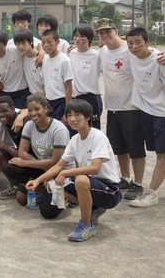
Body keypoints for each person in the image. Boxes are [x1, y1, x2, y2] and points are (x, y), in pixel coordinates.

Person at [94, 18, 165, 200]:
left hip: (132, 107)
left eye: (108, 31)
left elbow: (152, 53)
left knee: (136, 148)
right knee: (119, 147)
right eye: (101, 32)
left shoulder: (129, 49)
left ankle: (138, 183)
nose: (105, 35)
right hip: (112, 106)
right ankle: (125, 178)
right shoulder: (102, 51)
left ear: (116, 30)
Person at [27, 99, 122, 242]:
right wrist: (38, 180)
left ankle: (86, 225)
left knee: (81, 179)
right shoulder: (75, 140)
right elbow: (59, 165)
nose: (72, 119)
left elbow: (95, 168)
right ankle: (94, 210)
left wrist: (65, 172)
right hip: (92, 185)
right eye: (69, 115)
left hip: (110, 190)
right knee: (54, 183)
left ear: (87, 117)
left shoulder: (98, 137)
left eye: (77, 115)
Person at [125, 27, 165, 207]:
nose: (134, 46)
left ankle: (151, 193)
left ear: (148, 42)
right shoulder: (131, 54)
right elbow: (120, 39)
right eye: (131, 43)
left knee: (163, 155)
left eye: (139, 42)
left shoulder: (160, 60)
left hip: (163, 113)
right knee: (163, 153)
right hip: (145, 111)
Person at [4, 93, 69, 219]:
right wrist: (36, 165)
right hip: (41, 166)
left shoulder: (58, 129)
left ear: (46, 108)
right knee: (13, 171)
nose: (33, 113)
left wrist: (26, 163)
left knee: (48, 212)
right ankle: (42, 189)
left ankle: (64, 196)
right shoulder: (29, 125)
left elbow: (55, 161)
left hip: (60, 172)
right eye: (30, 110)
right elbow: (22, 152)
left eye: (37, 109)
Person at [0, 96, 27, 200]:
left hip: (34, 161)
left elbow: (22, 154)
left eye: (4, 111)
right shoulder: (8, 122)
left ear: (13, 109)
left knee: (22, 199)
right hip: (24, 156)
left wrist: (1, 145)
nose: (0, 115)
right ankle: (14, 187)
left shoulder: (23, 123)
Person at [0, 30, 31, 109]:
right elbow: (0, 86)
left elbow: (35, 47)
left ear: (5, 44)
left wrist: (40, 53)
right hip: (5, 93)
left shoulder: (15, 50)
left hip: (22, 91)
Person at [69, 25, 103, 129]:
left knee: (92, 129)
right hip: (75, 98)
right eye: (76, 36)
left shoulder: (96, 56)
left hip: (91, 97)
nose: (78, 39)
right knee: (75, 130)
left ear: (89, 39)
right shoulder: (70, 53)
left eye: (82, 37)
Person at [40, 30, 73, 122]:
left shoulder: (64, 60)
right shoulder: (45, 60)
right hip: (49, 103)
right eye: (43, 42)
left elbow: (69, 87)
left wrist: (67, 112)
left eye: (49, 42)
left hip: (61, 102)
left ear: (57, 42)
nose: (46, 45)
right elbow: (45, 85)